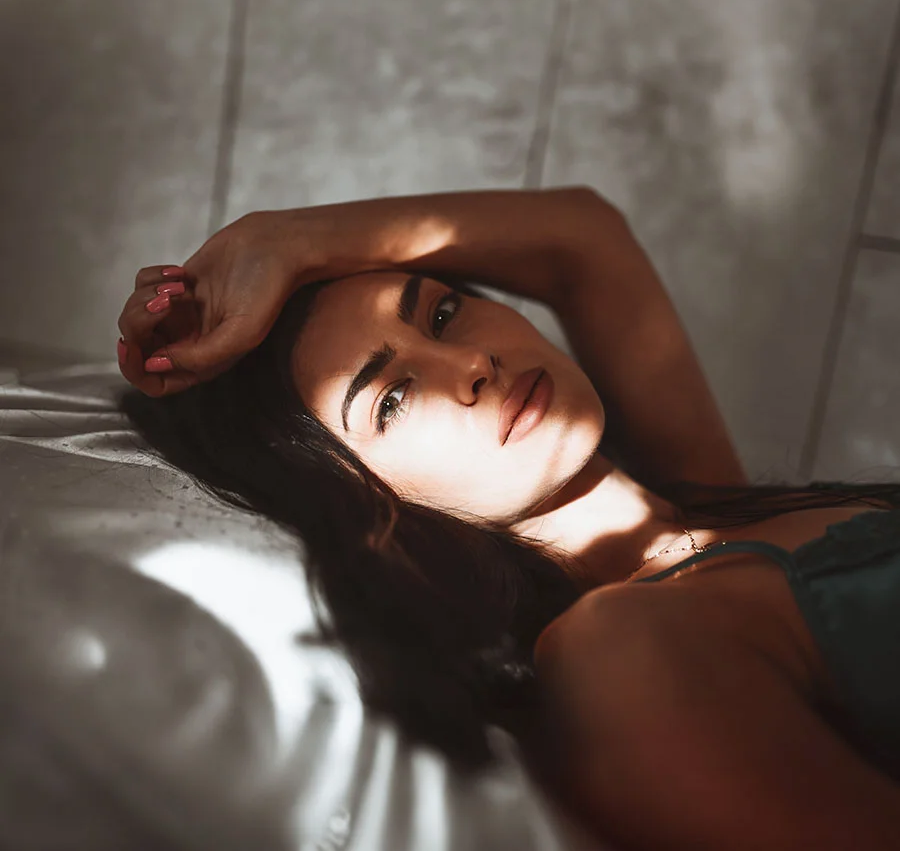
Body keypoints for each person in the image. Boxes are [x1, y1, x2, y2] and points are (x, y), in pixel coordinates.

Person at [116, 187, 900, 850]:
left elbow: (581, 237)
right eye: (390, 399)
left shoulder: (704, 506)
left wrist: (284, 240)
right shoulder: (620, 650)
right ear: (365, 501)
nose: (470, 367)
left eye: (444, 315)